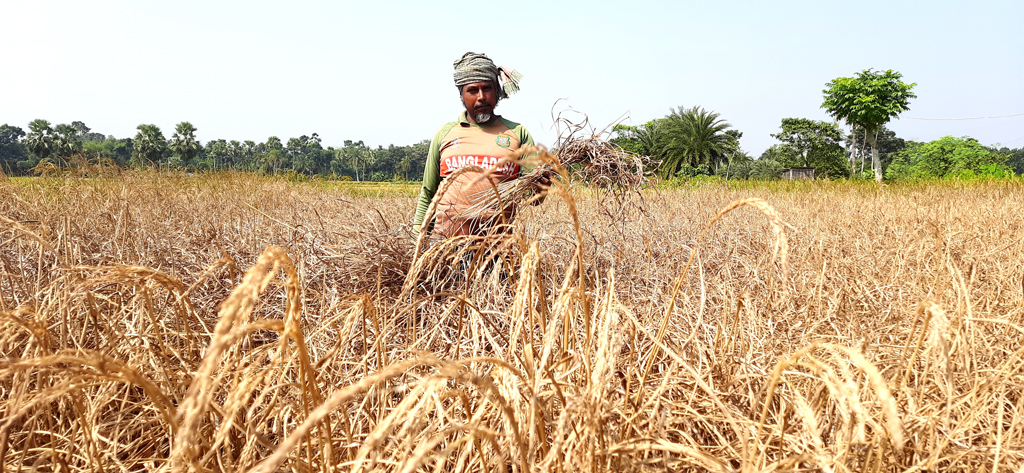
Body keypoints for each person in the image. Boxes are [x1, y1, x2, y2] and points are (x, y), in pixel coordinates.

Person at [412, 52, 549, 240]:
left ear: (497, 92)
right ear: (461, 95)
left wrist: (540, 188)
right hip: (444, 249)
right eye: (472, 90)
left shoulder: (518, 133)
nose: (481, 97)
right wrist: (415, 246)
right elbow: (428, 194)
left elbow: (532, 199)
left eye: (487, 88)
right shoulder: (445, 133)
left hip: (496, 252)